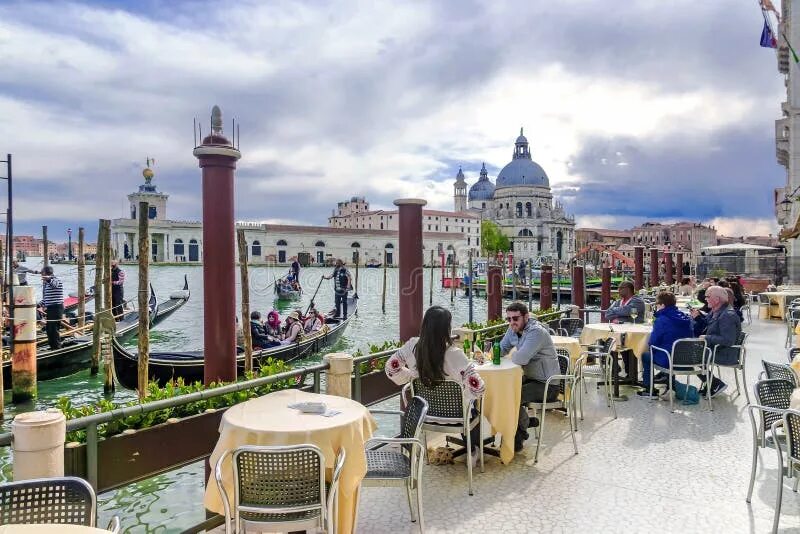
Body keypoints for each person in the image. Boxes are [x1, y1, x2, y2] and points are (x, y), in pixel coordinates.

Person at [385, 306, 485, 455]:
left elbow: (391, 369)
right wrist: (465, 395)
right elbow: (478, 388)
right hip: (456, 417)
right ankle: (473, 450)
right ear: (447, 328)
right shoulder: (454, 354)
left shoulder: (412, 346)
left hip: (425, 415)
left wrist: (412, 375)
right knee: (473, 406)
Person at [500, 301, 559, 452]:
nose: (512, 322)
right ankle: (525, 421)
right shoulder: (512, 329)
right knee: (503, 390)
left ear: (526, 317)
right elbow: (501, 348)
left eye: (515, 318)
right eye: (509, 319)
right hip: (530, 378)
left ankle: (518, 436)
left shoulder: (536, 332)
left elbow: (521, 359)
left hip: (547, 384)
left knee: (511, 397)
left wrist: (511, 356)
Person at [637, 292, 694, 397]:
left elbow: (653, 342)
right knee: (668, 350)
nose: (656, 306)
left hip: (669, 359)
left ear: (662, 305)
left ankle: (649, 389)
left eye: (657, 304)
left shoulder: (661, 320)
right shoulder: (686, 318)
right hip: (688, 359)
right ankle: (669, 385)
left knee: (646, 356)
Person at [689, 285, 742, 397]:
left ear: (717, 299)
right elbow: (707, 325)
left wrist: (707, 338)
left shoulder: (728, 315)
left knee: (689, 356)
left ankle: (715, 383)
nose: (705, 298)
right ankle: (712, 383)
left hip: (725, 353)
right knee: (689, 352)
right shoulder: (716, 311)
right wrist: (697, 317)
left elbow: (728, 340)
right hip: (715, 349)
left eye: (708, 296)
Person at [40, 266, 64, 350]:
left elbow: (55, 285)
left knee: (53, 330)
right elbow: (47, 297)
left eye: (42, 273)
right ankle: (53, 347)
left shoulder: (56, 280)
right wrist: (38, 304)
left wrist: (48, 279)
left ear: (47, 273)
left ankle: (57, 348)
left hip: (56, 308)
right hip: (50, 308)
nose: (41, 276)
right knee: (49, 330)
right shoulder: (47, 283)